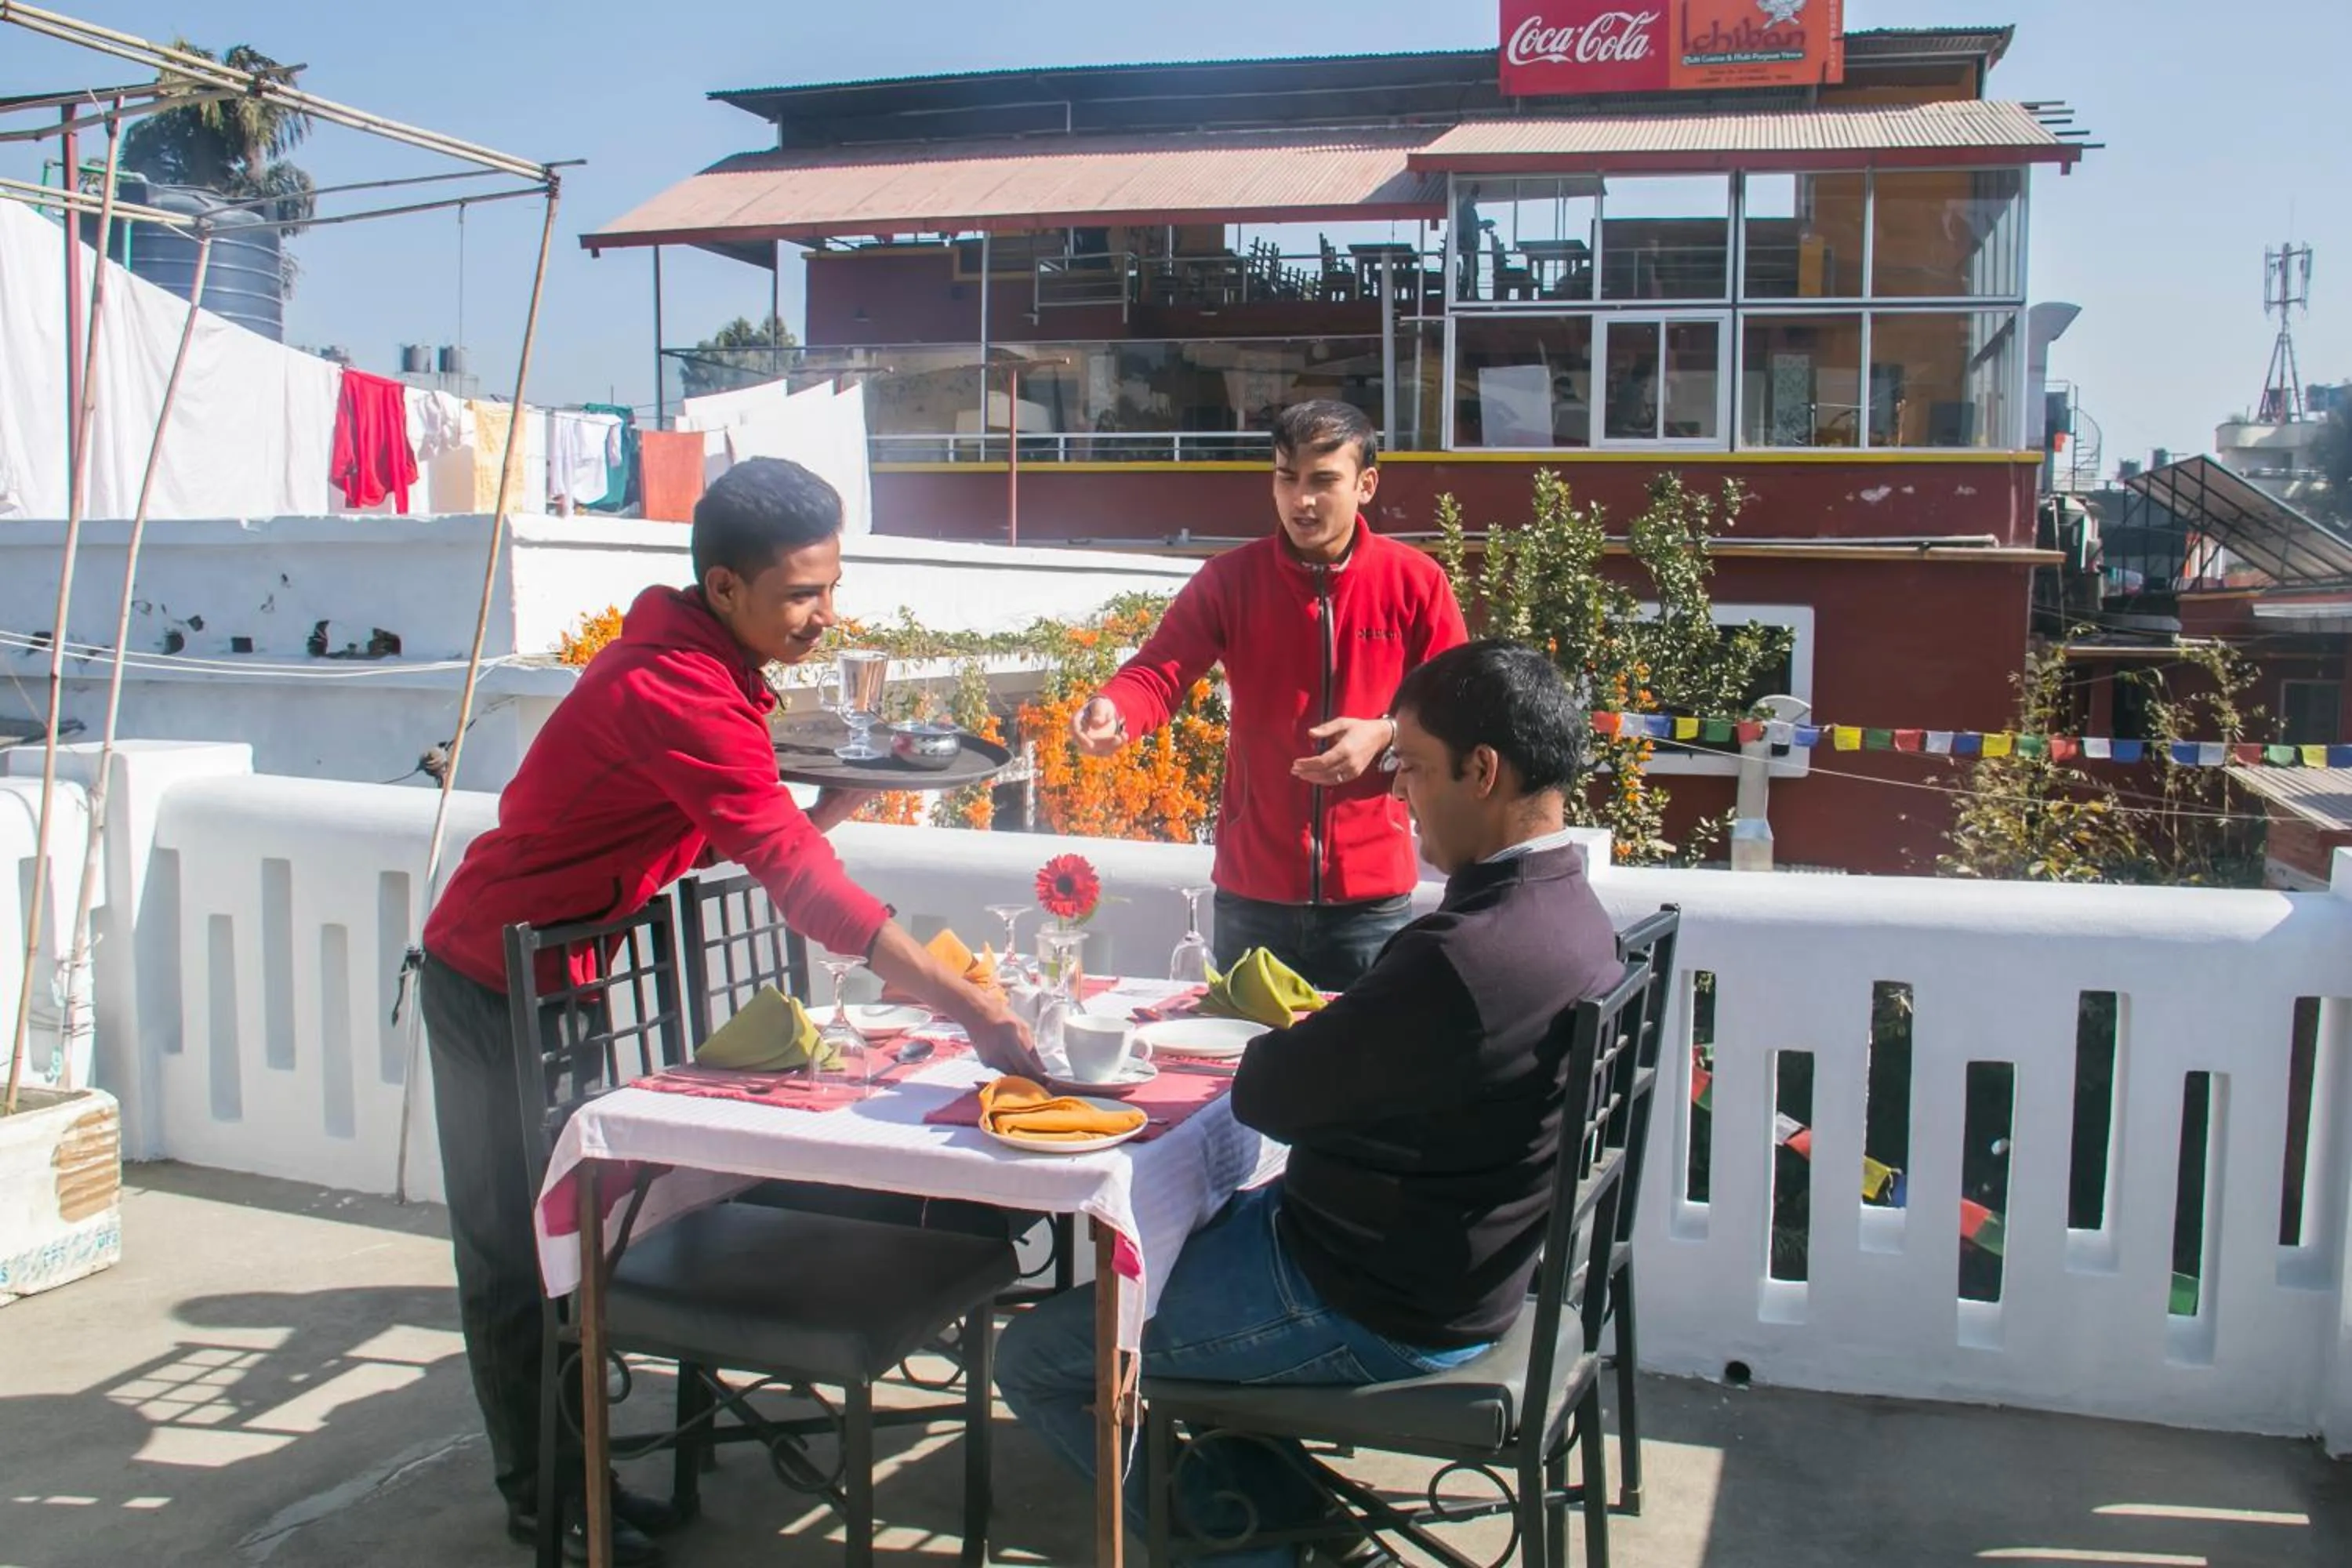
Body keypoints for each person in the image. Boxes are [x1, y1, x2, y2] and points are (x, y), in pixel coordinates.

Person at [418, 457, 1040, 1566]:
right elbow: (789, 875)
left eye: (831, 585)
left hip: (564, 970)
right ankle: (547, 1498)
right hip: (488, 979)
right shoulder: (673, 686)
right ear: (723, 587)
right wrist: (965, 1007)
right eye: (802, 594)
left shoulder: (705, 668)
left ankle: (575, 1473)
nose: (824, 615)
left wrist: (817, 811)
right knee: (520, 1255)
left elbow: (699, 826)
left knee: (574, 1236)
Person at [998, 640, 1624, 1568]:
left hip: (1367, 1296)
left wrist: (1297, 1047)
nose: (1402, 793)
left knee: (1043, 1358)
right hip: (1447, 1269)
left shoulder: (1468, 950)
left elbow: (1269, 1092)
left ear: (1482, 770)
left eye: (1410, 767)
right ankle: (1300, 1527)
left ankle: (1249, 1551)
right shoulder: (1571, 913)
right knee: (1174, 1244)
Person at [1070, 400, 1466, 990]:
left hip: (1371, 900)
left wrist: (1384, 732)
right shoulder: (1231, 580)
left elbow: (1457, 703)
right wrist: (1114, 710)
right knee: (1242, 1073)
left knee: (1363, 1078)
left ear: (1366, 485)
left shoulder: (1415, 582)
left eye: (1323, 481)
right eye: (1287, 478)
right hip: (1251, 897)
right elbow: (1158, 673)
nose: (1301, 500)